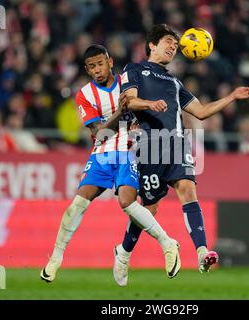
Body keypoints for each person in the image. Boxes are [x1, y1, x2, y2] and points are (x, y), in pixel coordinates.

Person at [113, 24, 249, 286]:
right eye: (168, 41)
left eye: (175, 45)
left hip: (177, 143)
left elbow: (200, 111)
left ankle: (202, 252)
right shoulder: (134, 69)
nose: (172, 47)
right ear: (152, 45)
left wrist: (232, 96)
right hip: (149, 144)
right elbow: (128, 101)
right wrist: (150, 104)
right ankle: (123, 252)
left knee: (188, 190)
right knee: (150, 208)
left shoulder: (174, 81)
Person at [40, 45, 181, 282]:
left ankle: (167, 244)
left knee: (127, 202)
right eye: (92, 66)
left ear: (110, 62)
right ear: (87, 69)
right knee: (78, 202)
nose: (97, 70)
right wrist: (119, 111)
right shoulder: (84, 95)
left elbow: (147, 105)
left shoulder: (128, 81)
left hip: (131, 148)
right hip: (103, 150)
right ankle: (55, 258)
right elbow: (99, 131)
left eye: (100, 64)